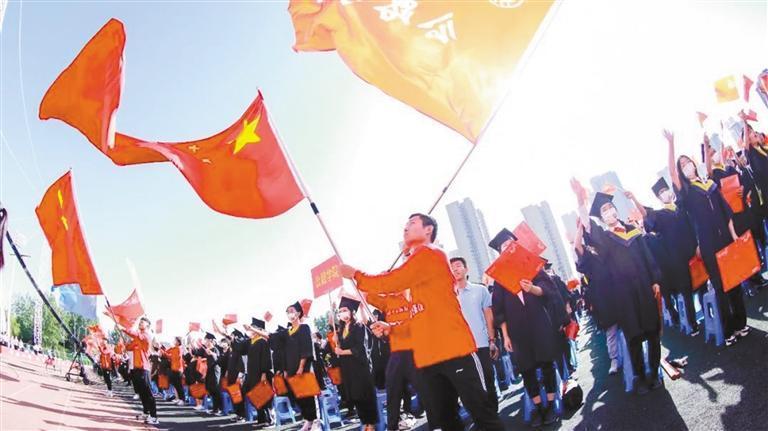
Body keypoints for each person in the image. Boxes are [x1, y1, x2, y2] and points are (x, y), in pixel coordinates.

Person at [341, 213, 504, 431]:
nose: (405, 227)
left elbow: (393, 280)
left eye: (412, 223)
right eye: (405, 224)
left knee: (483, 414)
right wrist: (391, 328)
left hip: (455, 351)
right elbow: (418, 319)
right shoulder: (417, 284)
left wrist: (356, 275)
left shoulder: (431, 253)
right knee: (446, 421)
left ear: (428, 230)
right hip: (428, 360)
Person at [573, 183, 663, 395]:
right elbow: (588, 228)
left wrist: (655, 280)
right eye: (603, 211)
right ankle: (640, 376)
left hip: (644, 286)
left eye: (609, 208)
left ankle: (654, 372)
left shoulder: (633, 231)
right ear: (602, 218)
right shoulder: (604, 239)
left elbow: (647, 256)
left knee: (652, 331)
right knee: (633, 336)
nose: (608, 212)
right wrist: (580, 201)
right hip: (623, 295)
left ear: (616, 209)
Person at [666, 130, 747, 346]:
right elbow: (672, 174)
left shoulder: (709, 184)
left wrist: (734, 235)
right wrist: (671, 143)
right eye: (682, 165)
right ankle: (728, 331)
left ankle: (740, 323)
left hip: (725, 238)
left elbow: (726, 211)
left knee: (735, 281)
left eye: (688, 162)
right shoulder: (687, 191)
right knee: (720, 286)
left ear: (695, 164)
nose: (687, 166)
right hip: (708, 243)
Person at [489, 228, 564, 426]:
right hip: (517, 330)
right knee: (527, 369)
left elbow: (549, 290)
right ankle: (538, 408)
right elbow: (499, 310)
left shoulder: (531, 265)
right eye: (503, 246)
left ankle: (550, 404)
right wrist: (505, 336)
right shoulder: (499, 277)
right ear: (500, 252)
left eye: (510, 244)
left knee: (547, 363)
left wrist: (532, 288)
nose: (507, 248)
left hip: (539, 322)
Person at [626, 181, 700, 335]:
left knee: (702, 285)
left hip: (694, 253)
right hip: (677, 260)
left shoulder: (680, 209)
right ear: (659, 198)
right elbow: (646, 214)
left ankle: (706, 313)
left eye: (665, 190)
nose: (664, 193)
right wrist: (634, 199)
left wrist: (698, 245)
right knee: (686, 291)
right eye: (660, 193)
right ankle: (693, 324)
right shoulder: (660, 215)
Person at [449, 256, 500, 413]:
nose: (455, 269)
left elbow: (488, 316)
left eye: (458, 265)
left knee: (488, 378)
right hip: (460, 349)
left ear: (466, 269)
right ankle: (481, 416)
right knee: (470, 384)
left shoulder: (480, 290)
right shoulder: (447, 295)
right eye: (451, 267)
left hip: (481, 343)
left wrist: (492, 340)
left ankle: (493, 413)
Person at [334, 296, 379, 430]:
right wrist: (337, 341)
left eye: (345, 310)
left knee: (365, 396)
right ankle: (365, 422)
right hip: (348, 369)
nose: (342, 313)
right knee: (355, 396)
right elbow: (340, 349)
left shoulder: (359, 326)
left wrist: (342, 352)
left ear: (351, 311)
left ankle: (371, 424)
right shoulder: (341, 330)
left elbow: (361, 349)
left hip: (360, 368)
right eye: (340, 311)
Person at [284, 301, 319, 431]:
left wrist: (301, 366)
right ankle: (307, 420)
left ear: (299, 313)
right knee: (299, 396)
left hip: (303, 369)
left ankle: (314, 422)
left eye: (292, 311)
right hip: (292, 369)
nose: (290, 314)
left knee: (308, 396)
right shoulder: (288, 332)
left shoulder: (304, 328)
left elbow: (306, 348)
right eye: (288, 312)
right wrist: (286, 369)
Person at [119, 317, 158, 424]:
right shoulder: (137, 338)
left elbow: (136, 334)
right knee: (142, 393)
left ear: (147, 326)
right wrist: (124, 341)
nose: (140, 323)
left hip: (144, 369)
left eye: (142, 322)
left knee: (148, 393)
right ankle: (146, 412)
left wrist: (124, 329)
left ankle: (154, 417)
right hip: (136, 369)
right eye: (140, 322)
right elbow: (128, 347)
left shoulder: (146, 336)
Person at [239, 318, 274, 426]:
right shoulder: (251, 342)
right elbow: (240, 349)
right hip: (252, 374)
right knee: (252, 394)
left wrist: (264, 373)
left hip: (261, 374)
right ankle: (261, 419)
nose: (251, 330)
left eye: (253, 328)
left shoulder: (263, 341)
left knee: (263, 396)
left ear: (259, 330)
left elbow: (266, 359)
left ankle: (269, 419)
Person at [162, 337, 187, 406]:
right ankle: (179, 399)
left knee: (179, 385)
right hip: (174, 369)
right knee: (176, 385)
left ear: (178, 342)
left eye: (175, 340)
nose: (173, 341)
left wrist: (166, 353)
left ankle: (182, 399)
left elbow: (173, 357)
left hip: (178, 369)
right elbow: (167, 353)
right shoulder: (174, 348)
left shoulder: (178, 348)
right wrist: (167, 350)